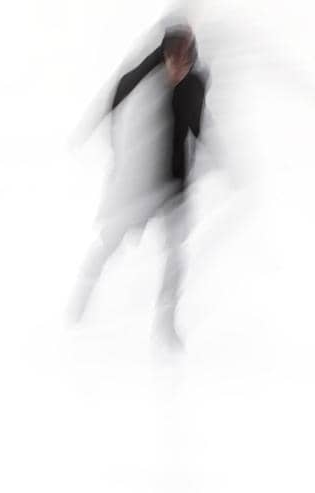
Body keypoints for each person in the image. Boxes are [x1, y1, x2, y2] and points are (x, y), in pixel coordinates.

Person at [69, 23, 208, 350]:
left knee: (175, 254)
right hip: (143, 183)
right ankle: (83, 293)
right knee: (112, 240)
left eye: (183, 64)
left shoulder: (196, 85)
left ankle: (166, 323)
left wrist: (213, 158)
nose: (176, 70)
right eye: (172, 62)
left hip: (174, 183)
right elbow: (119, 90)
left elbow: (199, 127)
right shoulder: (148, 71)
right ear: (164, 57)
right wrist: (96, 129)